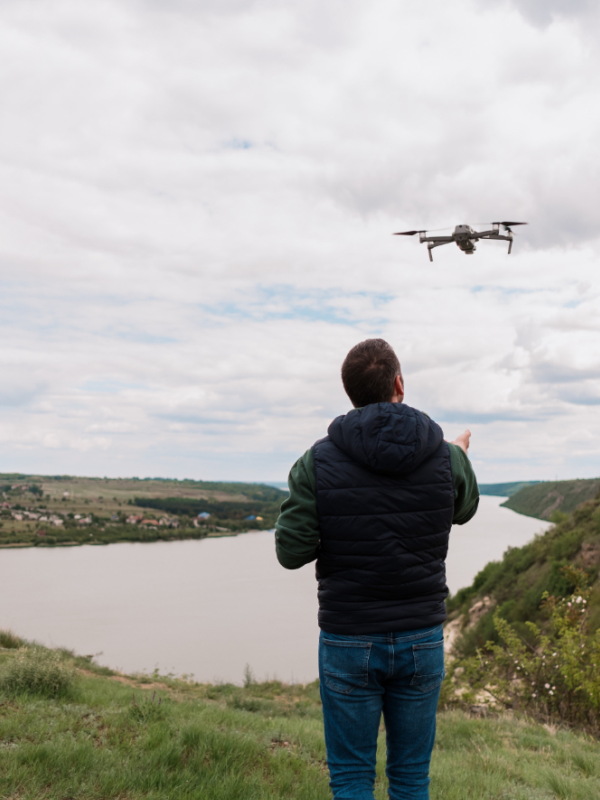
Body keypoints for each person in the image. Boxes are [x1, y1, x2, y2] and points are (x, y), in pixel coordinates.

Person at [275, 338, 479, 800]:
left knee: (350, 777)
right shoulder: (444, 456)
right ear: (399, 384)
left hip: (349, 638)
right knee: (410, 779)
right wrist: (458, 456)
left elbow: (291, 551)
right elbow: (464, 509)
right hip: (420, 639)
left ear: (350, 393)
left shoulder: (317, 461)